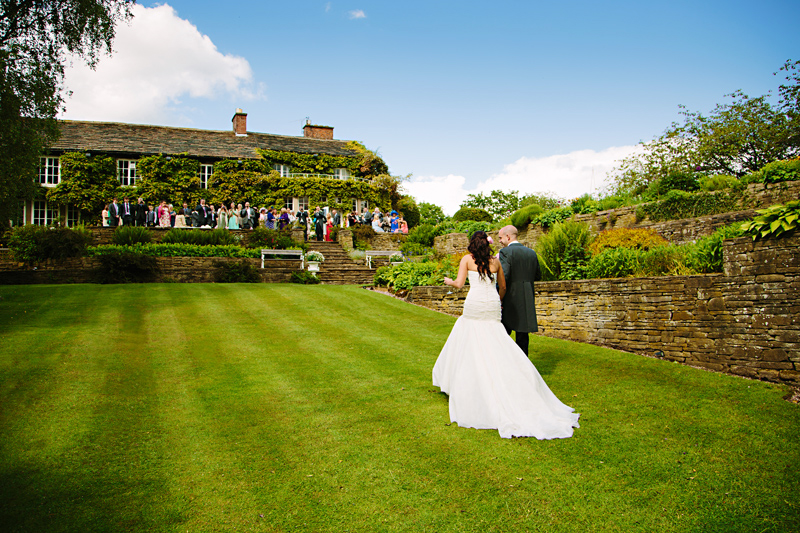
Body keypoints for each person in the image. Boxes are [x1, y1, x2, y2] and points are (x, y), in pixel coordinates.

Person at [432, 231, 580, 439]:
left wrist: (447, 281)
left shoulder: (467, 259)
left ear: (472, 244)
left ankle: (471, 386)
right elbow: (502, 286)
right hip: (492, 304)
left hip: (474, 304)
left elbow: (458, 284)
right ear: (488, 244)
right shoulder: (496, 262)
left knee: (470, 340)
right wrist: (498, 300)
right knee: (496, 340)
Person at [497, 225, 541, 356]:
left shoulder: (506, 252)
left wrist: (498, 296)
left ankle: (503, 364)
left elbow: (503, 278)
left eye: (500, 238)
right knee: (523, 339)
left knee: (502, 335)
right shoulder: (531, 253)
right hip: (527, 298)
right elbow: (537, 276)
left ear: (508, 237)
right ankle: (524, 369)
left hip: (510, 299)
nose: (499, 241)